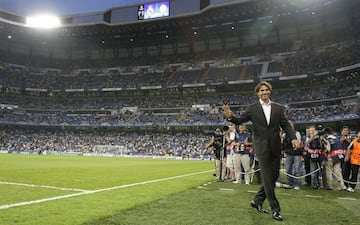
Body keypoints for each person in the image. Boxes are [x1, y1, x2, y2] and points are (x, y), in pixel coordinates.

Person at [223, 81, 300, 222]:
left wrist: (293, 138)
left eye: (266, 90)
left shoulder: (278, 108)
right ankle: (275, 209)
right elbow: (240, 121)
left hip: (276, 146)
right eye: (261, 90)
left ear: (269, 91)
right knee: (267, 178)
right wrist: (230, 117)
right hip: (261, 147)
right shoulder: (252, 108)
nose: (264, 92)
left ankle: (257, 201)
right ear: (258, 93)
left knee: (274, 175)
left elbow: (286, 125)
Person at [282, 122, 303, 190]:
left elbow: (298, 143)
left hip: (296, 154)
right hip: (288, 154)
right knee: (288, 170)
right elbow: (283, 143)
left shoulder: (297, 133)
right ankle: (290, 184)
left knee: (297, 170)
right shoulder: (285, 134)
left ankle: (297, 184)